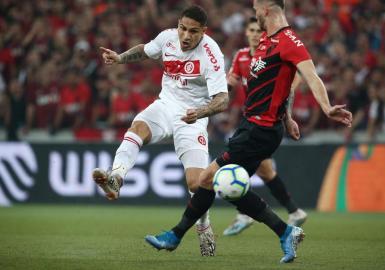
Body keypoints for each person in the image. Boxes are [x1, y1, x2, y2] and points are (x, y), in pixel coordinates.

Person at [144, 0, 352, 264]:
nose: (254, 17)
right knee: (230, 189)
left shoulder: (290, 42)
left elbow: (311, 76)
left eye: (255, 11)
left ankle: (174, 236)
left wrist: (326, 107)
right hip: (252, 126)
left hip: (260, 130)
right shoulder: (266, 40)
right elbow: (278, 84)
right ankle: (286, 231)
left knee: (206, 179)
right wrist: (287, 116)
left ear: (266, 10)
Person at [92, 5, 229, 257]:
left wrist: (199, 113)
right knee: (137, 128)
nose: (186, 36)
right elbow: (145, 51)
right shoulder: (167, 38)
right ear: (178, 24)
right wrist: (121, 57)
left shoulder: (211, 54)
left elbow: (223, 99)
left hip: (193, 117)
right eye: (183, 28)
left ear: (204, 32)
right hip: (166, 106)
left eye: (193, 32)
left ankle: (203, 224)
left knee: (197, 184)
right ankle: (116, 178)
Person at [223, 16, 307, 236]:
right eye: (249, 30)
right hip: (250, 121)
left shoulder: (273, 54)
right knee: (264, 170)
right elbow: (229, 84)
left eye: (256, 30)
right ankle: (294, 211)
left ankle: (245, 214)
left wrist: (287, 113)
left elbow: (293, 81)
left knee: (245, 167)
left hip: (266, 122)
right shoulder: (241, 56)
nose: (252, 33)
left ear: (263, 33)